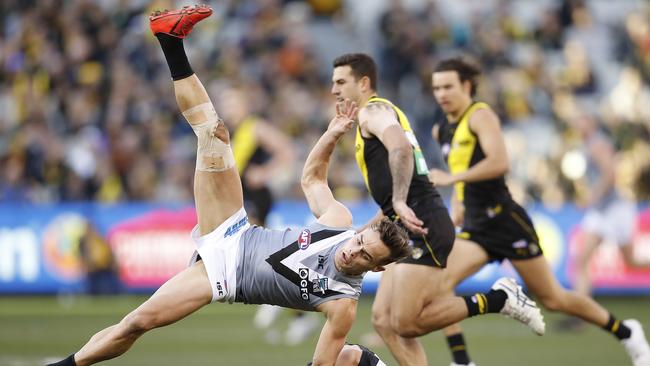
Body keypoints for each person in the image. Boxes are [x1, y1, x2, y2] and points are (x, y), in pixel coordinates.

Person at [46, 6, 415, 366]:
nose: (355, 252)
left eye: (366, 257)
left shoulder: (342, 304)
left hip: (223, 277)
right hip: (234, 228)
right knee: (214, 133)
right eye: (361, 242)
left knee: (136, 324)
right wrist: (332, 135)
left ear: (378, 270)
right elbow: (312, 178)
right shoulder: (339, 222)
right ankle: (170, 39)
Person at [428, 56, 650, 366]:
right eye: (436, 87)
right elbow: (460, 168)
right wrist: (457, 203)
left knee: (554, 299)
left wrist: (452, 179)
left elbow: (499, 163)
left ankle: (626, 332)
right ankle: (462, 362)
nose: (441, 93)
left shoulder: (480, 115)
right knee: (437, 283)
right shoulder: (442, 129)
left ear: (466, 86)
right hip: (476, 226)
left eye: (448, 86)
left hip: (505, 220)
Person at [330, 53, 544, 366]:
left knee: (406, 322)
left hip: (422, 222)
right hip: (406, 221)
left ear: (363, 83)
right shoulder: (374, 115)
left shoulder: (373, 111)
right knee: (383, 321)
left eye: (340, 81)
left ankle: (500, 299)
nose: (334, 89)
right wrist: (368, 227)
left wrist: (400, 201)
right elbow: (391, 201)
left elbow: (401, 149)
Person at [217, 86, 319, 345]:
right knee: (258, 255)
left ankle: (286, 305)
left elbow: (287, 151)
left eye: (232, 103)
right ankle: (296, 312)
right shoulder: (232, 133)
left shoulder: (255, 127)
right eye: (226, 104)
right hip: (243, 200)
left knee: (260, 253)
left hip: (257, 200)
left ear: (244, 105)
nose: (228, 108)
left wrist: (265, 172)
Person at [563, 110, 650, 330]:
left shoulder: (597, 143)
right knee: (582, 259)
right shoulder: (588, 144)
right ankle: (580, 313)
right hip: (605, 210)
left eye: (581, 119)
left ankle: (580, 313)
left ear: (590, 122)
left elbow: (610, 174)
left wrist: (593, 196)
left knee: (626, 261)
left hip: (613, 209)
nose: (577, 125)